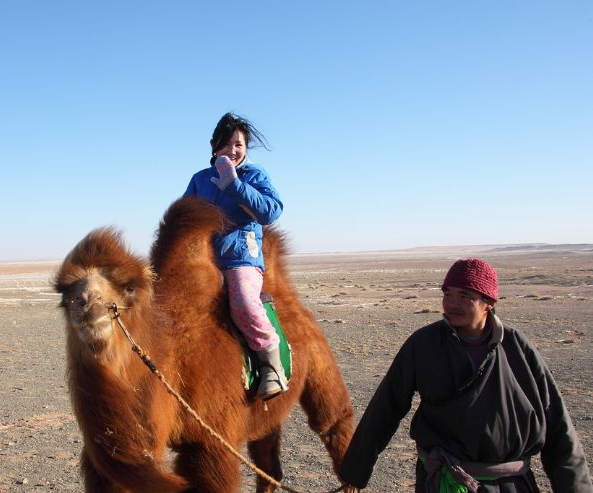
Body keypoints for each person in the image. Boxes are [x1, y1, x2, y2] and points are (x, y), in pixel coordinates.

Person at [339, 258, 592, 492]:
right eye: (447, 294)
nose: (452, 303)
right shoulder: (424, 344)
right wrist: (355, 472)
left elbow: (557, 425)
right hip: (445, 483)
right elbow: (385, 408)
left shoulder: (517, 347)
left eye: (464, 295)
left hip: (510, 486)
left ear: (488, 303)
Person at [184, 112, 287, 400]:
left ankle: (271, 365)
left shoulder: (254, 175)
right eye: (227, 144)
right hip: (205, 260)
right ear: (214, 146)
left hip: (240, 257)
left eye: (239, 144)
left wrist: (234, 186)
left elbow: (271, 210)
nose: (233, 150)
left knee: (243, 301)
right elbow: (185, 215)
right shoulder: (200, 179)